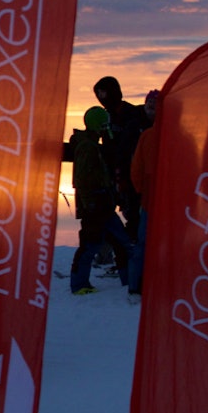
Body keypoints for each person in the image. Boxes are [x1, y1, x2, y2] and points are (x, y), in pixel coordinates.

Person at [70, 106, 136, 296]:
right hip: (95, 206)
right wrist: (89, 204)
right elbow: (81, 180)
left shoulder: (92, 145)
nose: (106, 128)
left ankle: (128, 280)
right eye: (104, 124)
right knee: (90, 244)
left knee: (122, 243)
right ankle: (79, 284)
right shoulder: (87, 147)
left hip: (103, 204)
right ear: (97, 125)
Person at [93, 76, 152, 240]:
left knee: (135, 218)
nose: (102, 97)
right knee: (119, 219)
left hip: (135, 177)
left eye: (104, 93)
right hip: (116, 177)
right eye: (99, 94)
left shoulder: (134, 115)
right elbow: (108, 148)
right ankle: (126, 257)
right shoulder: (106, 118)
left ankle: (133, 255)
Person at [126, 89, 160, 298]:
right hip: (164, 200)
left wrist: (141, 191)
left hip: (150, 200)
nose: (151, 110)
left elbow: (135, 169)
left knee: (143, 243)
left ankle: (136, 285)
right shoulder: (178, 135)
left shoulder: (147, 136)